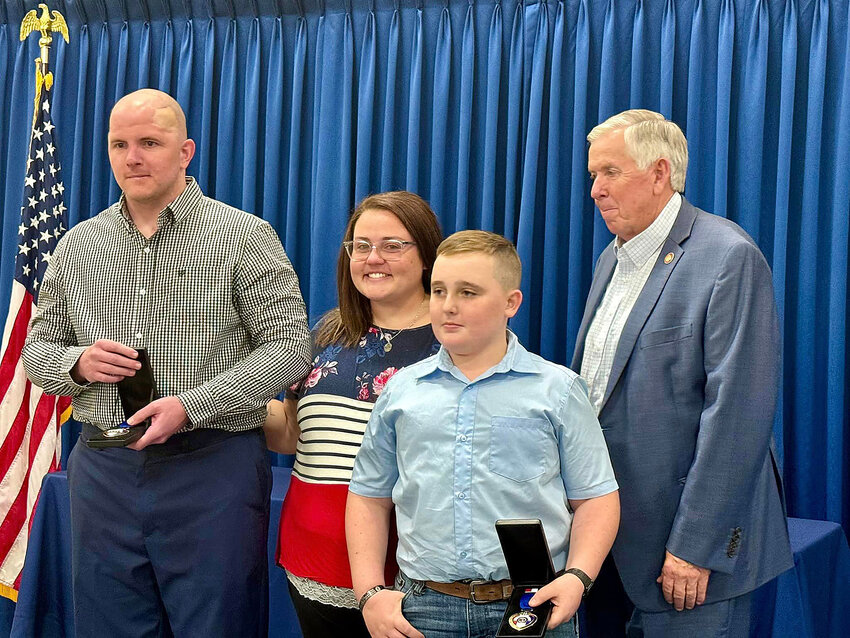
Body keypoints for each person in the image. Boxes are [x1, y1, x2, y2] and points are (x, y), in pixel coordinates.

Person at [21, 88, 311, 637]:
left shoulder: (244, 236)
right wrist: (77, 363)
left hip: (212, 469)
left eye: (150, 143)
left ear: (186, 151)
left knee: (217, 626)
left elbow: (290, 348)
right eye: (119, 144)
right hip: (104, 469)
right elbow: (37, 353)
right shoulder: (78, 245)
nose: (133, 157)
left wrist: (194, 404)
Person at [572, 109, 793, 637]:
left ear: (659, 173)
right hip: (604, 546)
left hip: (685, 561)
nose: (596, 190)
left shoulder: (728, 256)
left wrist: (696, 546)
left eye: (610, 173)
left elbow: (737, 415)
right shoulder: (612, 257)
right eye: (593, 176)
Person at [347, 230, 620, 638]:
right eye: (438, 290)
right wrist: (369, 592)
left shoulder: (557, 391)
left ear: (511, 303)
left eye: (468, 292)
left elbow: (596, 497)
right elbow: (369, 496)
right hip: (423, 608)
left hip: (533, 606)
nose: (448, 306)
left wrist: (578, 577)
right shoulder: (402, 391)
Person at [265, 191, 443, 638]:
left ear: (426, 255)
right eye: (360, 246)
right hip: (311, 563)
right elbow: (290, 436)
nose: (372, 258)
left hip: (410, 577)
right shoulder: (324, 332)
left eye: (392, 245)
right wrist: (219, 392)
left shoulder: (452, 340)